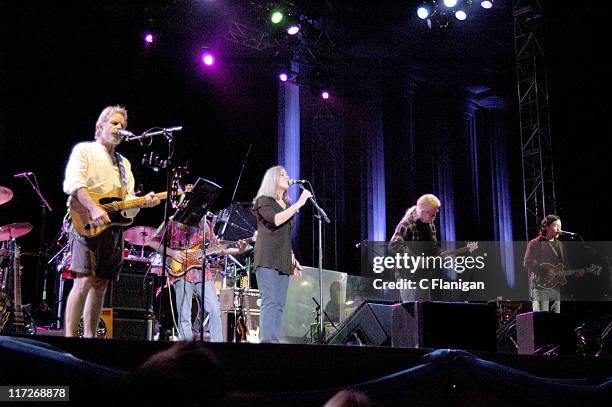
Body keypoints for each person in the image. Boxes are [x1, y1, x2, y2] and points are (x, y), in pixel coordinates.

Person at [63, 105, 160, 338]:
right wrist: (94, 208)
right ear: (100, 127)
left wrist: (142, 202)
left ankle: (90, 338)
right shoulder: (84, 150)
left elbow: (126, 202)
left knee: (101, 285)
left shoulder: (123, 164)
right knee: (83, 281)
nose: (120, 129)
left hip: (112, 228)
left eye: (123, 126)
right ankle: (69, 339)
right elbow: (74, 184)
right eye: (115, 123)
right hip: (86, 220)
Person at [147, 218, 248, 341]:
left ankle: (218, 345)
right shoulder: (172, 222)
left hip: (202, 273)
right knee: (184, 315)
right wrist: (173, 253)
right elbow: (152, 241)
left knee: (215, 309)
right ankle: (187, 348)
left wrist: (239, 250)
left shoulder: (205, 224)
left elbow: (218, 249)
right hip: (181, 273)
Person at [252, 165, 312, 343]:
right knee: (270, 301)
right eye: (283, 175)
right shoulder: (263, 200)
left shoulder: (286, 204)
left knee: (279, 304)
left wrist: (293, 258)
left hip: (283, 258)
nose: (288, 177)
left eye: (287, 174)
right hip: (267, 257)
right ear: (273, 180)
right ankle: (266, 343)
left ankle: (275, 342)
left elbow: (284, 237)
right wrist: (299, 204)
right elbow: (276, 220)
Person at [389, 194, 441, 301]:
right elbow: (394, 245)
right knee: (412, 310)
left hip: (423, 274)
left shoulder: (430, 224)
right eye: (433, 214)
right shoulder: (406, 224)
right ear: (423, 212)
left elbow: (433, 248)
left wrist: (442, 254)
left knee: (424, 310)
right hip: (407, 275)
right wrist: (415, 259)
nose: (434, 217)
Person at [523, 214, 577, 313]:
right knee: (541, 321)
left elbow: (566, 267)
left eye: (560, 226)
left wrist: (576, 272)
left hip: (556, 289)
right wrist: (545, 271)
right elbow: (527, 262)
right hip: (540, 288)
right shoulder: (535, 243)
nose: (559, 229)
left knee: (554, 324)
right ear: (546, 226)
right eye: (556, 225)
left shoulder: (560, 245)